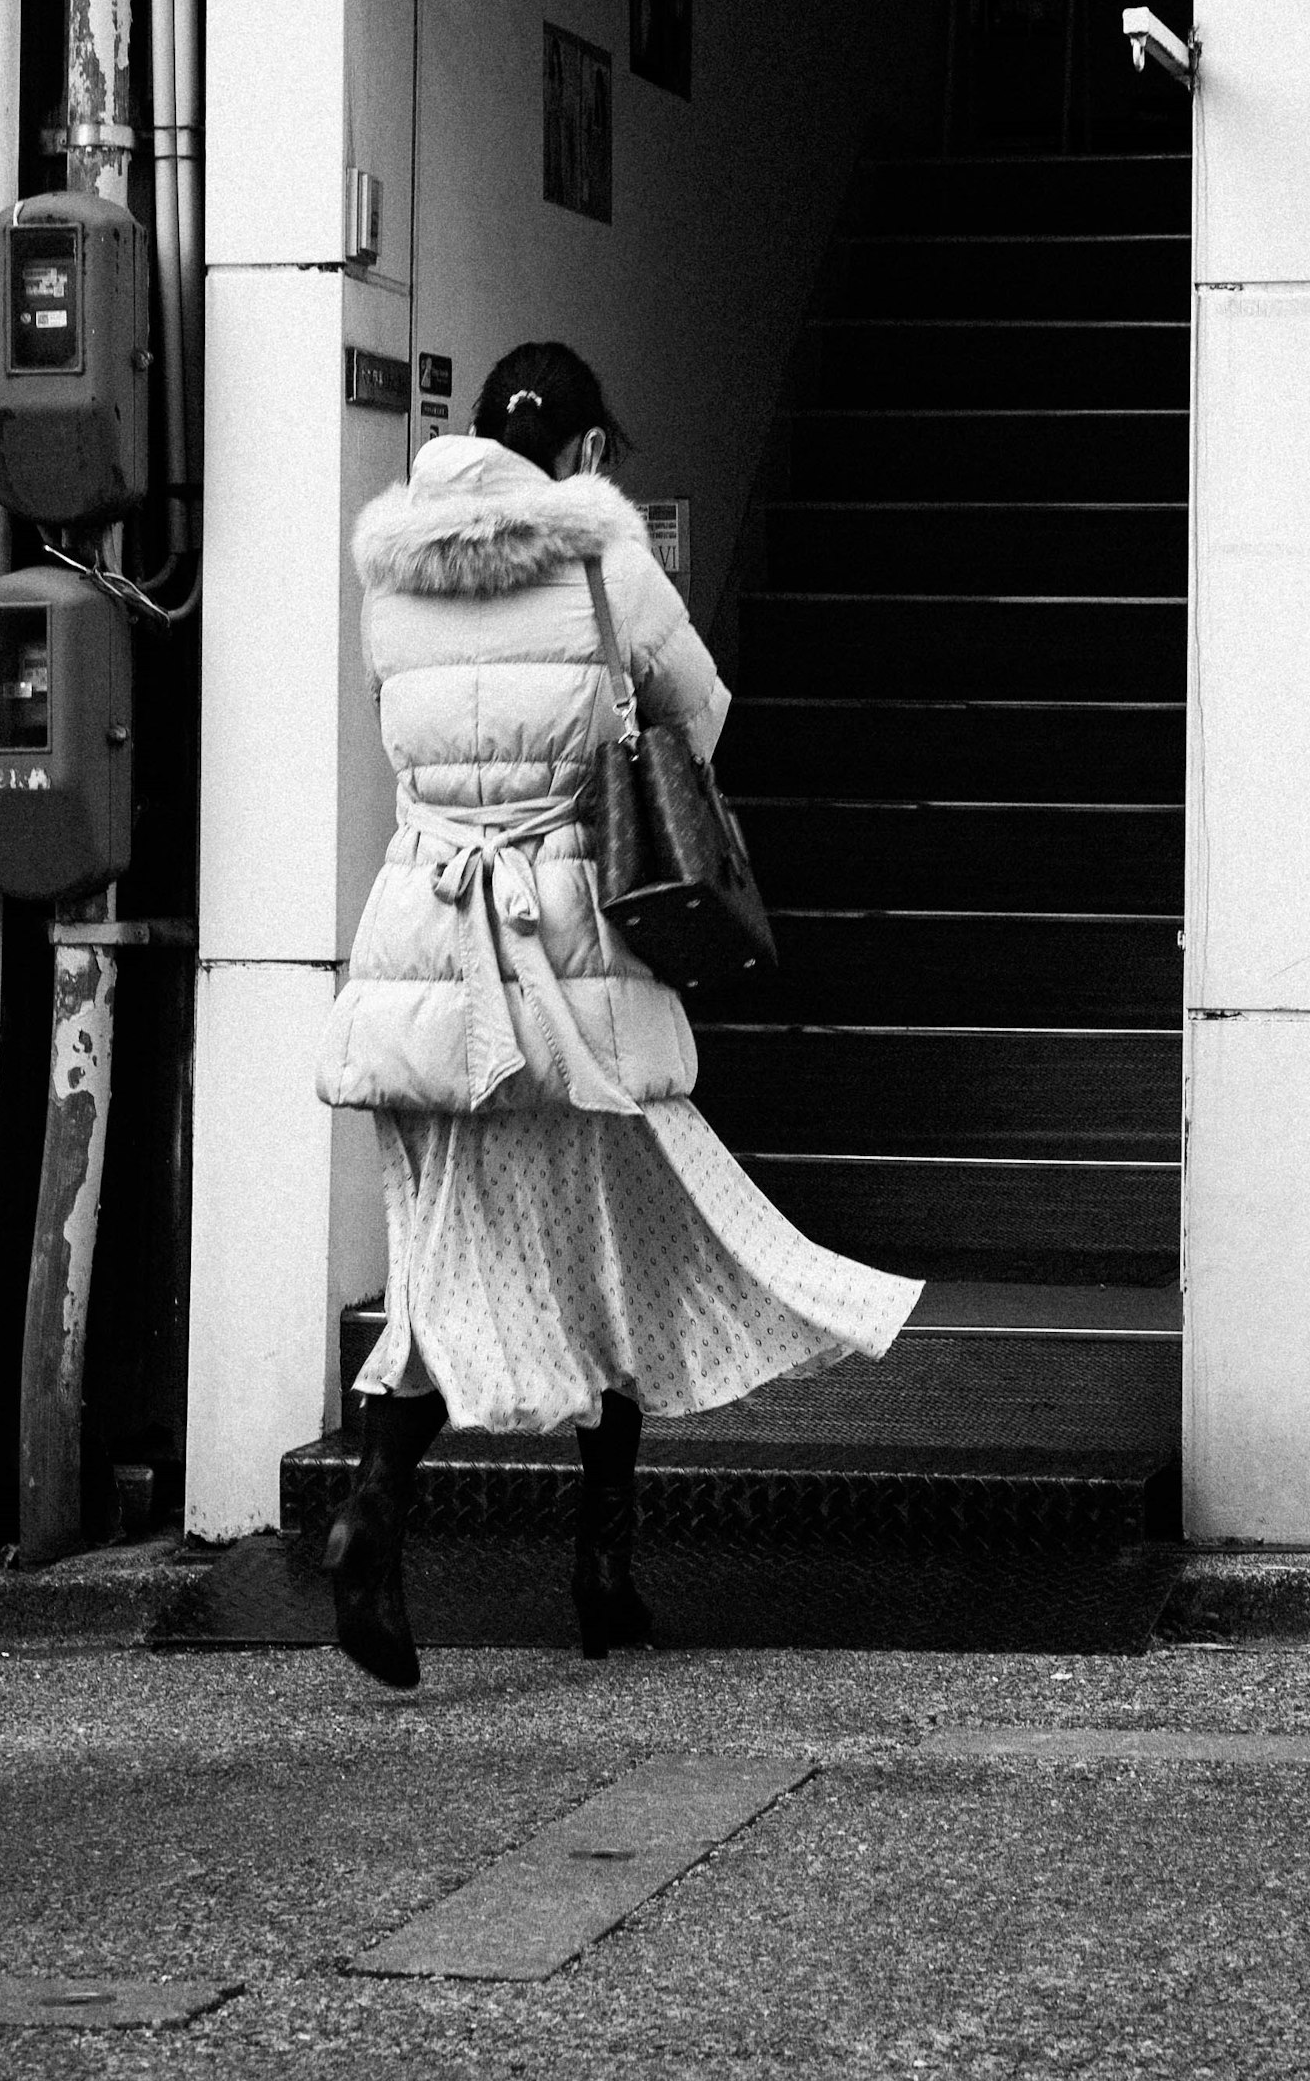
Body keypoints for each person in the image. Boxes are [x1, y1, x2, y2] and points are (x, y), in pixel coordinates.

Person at [313, 342, 921, 1688]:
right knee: (624, 1254)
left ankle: (375, 1506)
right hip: (565, 962)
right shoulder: (606, 561)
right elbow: (698, 719)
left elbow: (405, 739)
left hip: (421, 952)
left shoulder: (391, 576)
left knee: (439, 1273)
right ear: (584, 453)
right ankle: (600, 1571)